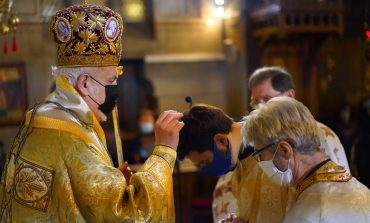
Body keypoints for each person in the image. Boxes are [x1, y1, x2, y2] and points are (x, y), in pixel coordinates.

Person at [0, 3, 184, 222]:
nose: (113, 91)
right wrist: (164, 152)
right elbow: (130, 214)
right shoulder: (69, 136)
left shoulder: (45, 117)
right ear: (85, 83)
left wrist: (113, 182)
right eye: (110, 81)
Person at [211, 66, 350, 222]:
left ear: (289, 95)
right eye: (255, 102)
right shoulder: (253, 137)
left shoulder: (321, 134)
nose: (260, 108)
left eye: (267, 100)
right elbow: (230, 190)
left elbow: (329, 195)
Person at [244, 96, 370, 223]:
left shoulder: (305, 216)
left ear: (284, 150)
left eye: (260, 155)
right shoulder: (363, 192)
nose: (260, 162)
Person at [177, 104, 294, 223]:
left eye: (205, 162)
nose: (207, 169)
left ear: (221, 140)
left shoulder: (276, 147)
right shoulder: (238, 159)